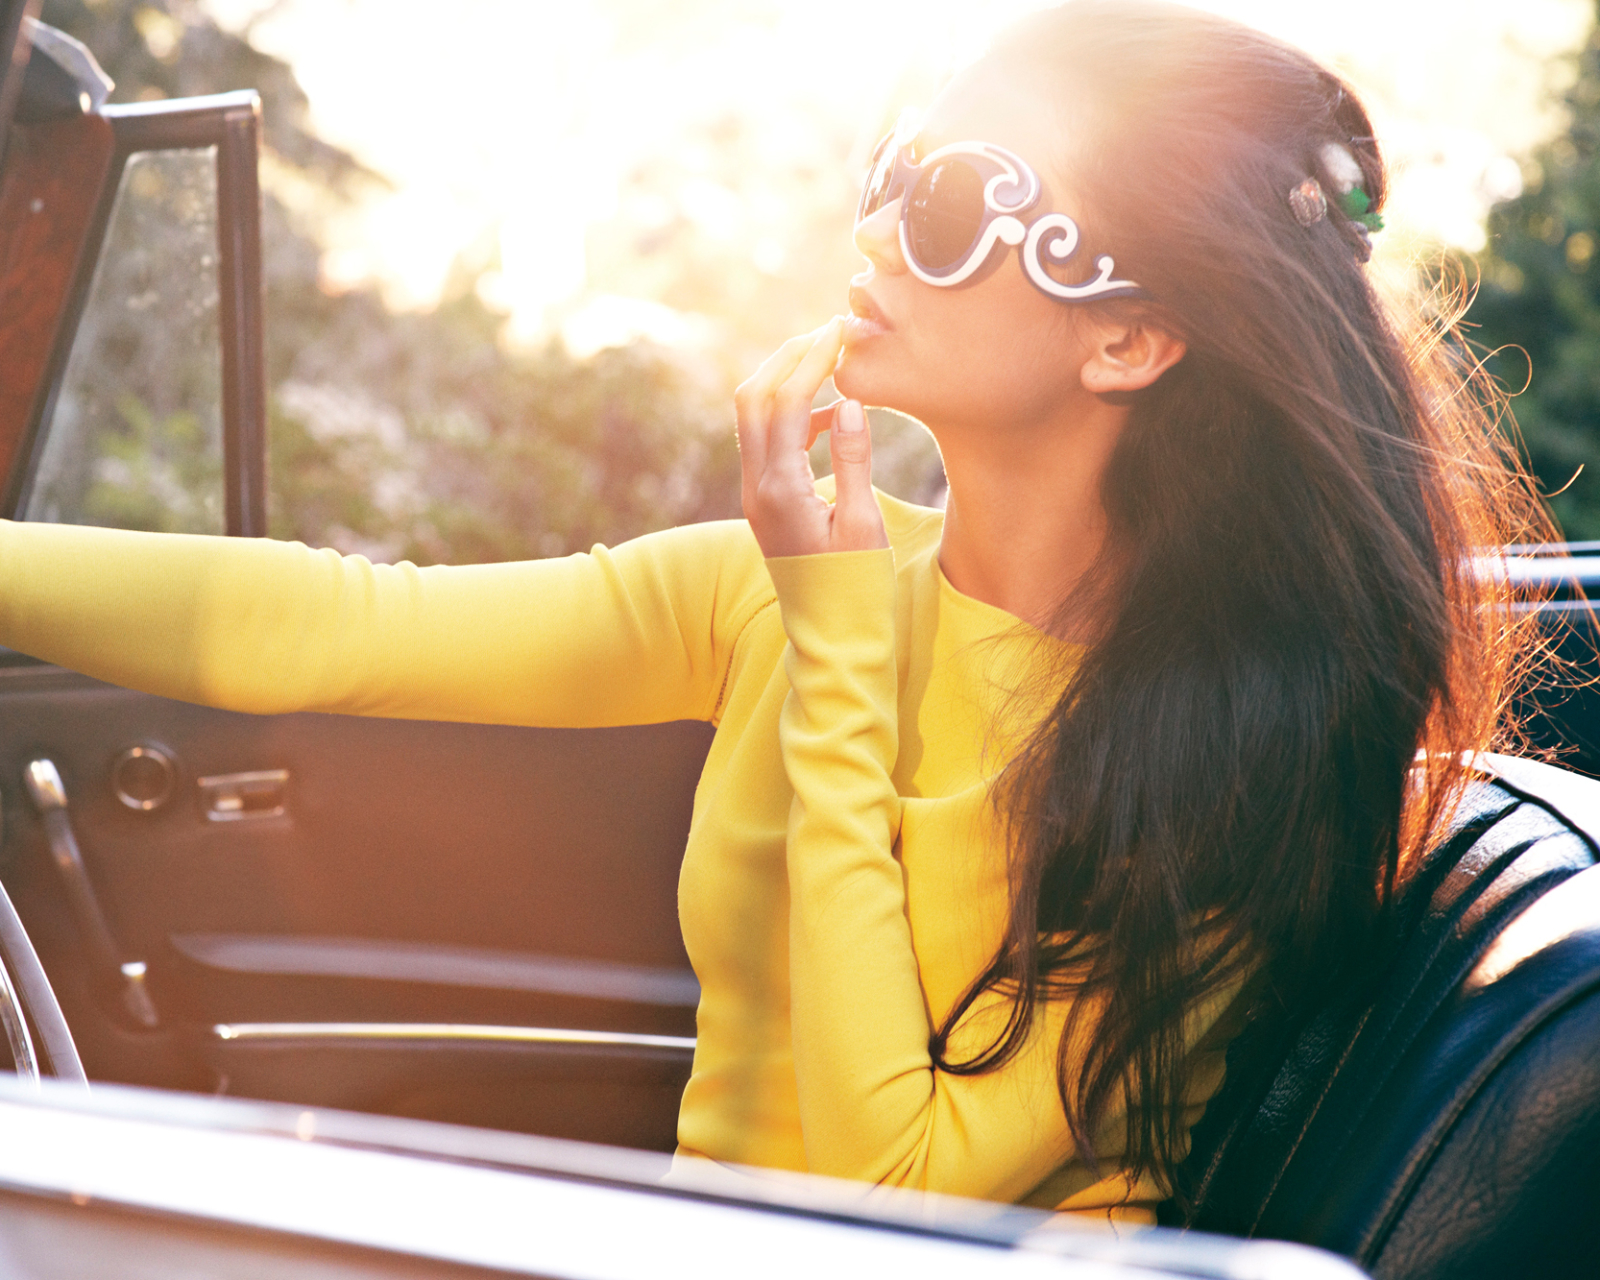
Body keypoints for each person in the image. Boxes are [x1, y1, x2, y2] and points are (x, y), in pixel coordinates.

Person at [0, 0, 1552, 1222]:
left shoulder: (1224, 756)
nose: (872, 236)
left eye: (950, 205)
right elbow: (340, 630)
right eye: (893, 171)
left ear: (1132, 339)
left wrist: (832, 646)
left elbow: (890, 1197)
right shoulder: (794, 587)